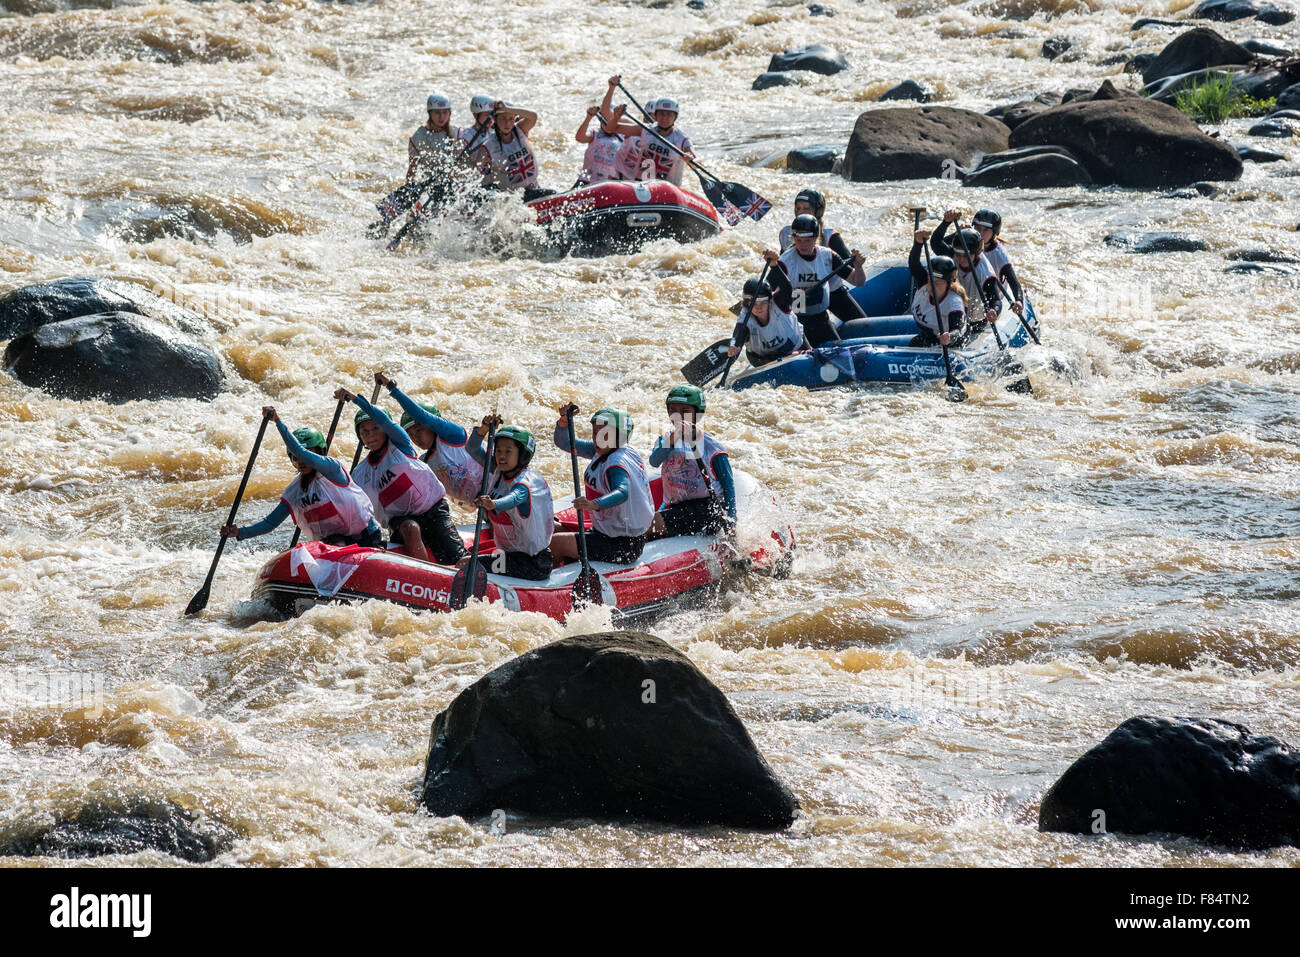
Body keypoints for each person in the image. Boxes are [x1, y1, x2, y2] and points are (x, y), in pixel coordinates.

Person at [334, 387, 468, 566]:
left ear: (386, 430)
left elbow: (386, 421)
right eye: (364, 431)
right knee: (410, 527)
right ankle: (425, 575)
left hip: (433, 511)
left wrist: (355, 399)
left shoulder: (400, 445)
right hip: (399, 523)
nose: (370, 435)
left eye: (375, 428)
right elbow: (355, 509)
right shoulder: (360, 473)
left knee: (459, 558)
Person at [220, 407, 381, 548]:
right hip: (333, 545)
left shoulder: (332, 469)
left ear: (319, 453)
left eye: (307, 455)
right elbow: (270, 523)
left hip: (365, 537)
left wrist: (278, 422)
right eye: (295, 458)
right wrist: (240, 532)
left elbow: (302, 452)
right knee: (334, 541)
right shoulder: (294, 490)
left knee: (336, 542)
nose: (300, 461)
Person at [551, 404, 654, 565]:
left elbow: (622, 492)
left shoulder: (616, 465)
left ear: (619, 436)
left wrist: (594, 504)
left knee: (554, 543)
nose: (597, 438)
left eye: (604, 434)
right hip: (605, 533)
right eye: (595, 432)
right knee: (551, 527)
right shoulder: (605, 449)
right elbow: (565, 443)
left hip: (622, 545)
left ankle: (547, 580)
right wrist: (564, 422)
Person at [375, 372, 485, 507]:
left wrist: (391, 387)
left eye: (419, 430)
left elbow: (422, 417)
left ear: (432, 427)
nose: (415, 437)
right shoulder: (424, 462)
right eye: (410, 434)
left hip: (500, 490)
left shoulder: (454, 436)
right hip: (481, 507)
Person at [763, 214, 866, 347]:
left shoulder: (828, 256)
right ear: (793, 238)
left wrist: (858, 266)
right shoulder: (785, 261)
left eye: (807, 240)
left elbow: (858, 281)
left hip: (820, 317)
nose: (803, 245)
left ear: (816, 238)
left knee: (839, 353)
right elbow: (767, 291)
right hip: (796, 320)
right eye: (798, 240)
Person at [469, 423, 555, 581]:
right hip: (509, 557)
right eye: (499, 451)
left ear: (522, 455)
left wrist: (493, 504)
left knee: (467, 564)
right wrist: (483, 429)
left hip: (532, 563)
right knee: (468, 557)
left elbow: (515, 498)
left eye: (508, 451)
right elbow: (472, 448)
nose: (501, 456)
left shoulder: (526, 482)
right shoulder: (500, 469)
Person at [647, 385, 736, 539]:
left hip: (706, 508)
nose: (679, 416)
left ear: (697, 414)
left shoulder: (710, 446)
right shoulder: (665, 440)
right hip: (677, 507)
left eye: (685, 411)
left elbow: (728, 484)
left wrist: (732, 521)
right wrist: (675, 437)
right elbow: (654, 461)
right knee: (640, 526)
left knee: (646, 527)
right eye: (673, 410)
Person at [777, 188, 866, 322]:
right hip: (801, 294)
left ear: (817, 212)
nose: (800, 212)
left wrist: (858, 264)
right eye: (798, 208)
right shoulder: (787, 233)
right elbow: (784, 267)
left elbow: (849, 268)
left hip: (832, 290)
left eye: (806, 208)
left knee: (861, 323)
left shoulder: (831, 236)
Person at [930, 210, 1002, 334]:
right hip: (953, 313)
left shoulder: (986, 273)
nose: (961, 259)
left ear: (977, 254)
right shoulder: (955, 253)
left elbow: (996, 300)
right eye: (958, 254)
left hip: (975, 322)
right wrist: (945, 223)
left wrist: (994, 311)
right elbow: (936, 244)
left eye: (966, 256)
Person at [476, 100, 552, 200]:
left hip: (534, 189)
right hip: (513, 199)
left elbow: (533, 116)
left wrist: (507, 109)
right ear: (495, 119)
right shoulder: (487, 147)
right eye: (503, 119)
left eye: (511, 118)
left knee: (552, 194)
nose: (507, 123)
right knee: (552, 193)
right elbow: (476, 174)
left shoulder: (521, 129)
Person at [611, 94, 694, 185]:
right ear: (656, 115)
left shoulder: (682, 138)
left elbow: (692, 156)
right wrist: (616, 117)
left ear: (675, 117)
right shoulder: (646, 130)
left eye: (669, 115)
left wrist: (690, 157)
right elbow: (612, 128)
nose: (664, 118)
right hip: (641, 185)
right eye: (661, 114)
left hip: (667, 188)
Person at [908, 230, 968, 348]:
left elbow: (957, 330)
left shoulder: (954, 302)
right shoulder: (924, 283)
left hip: (951, 343)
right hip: (929, 335)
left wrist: (949, 337)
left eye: (938, 283)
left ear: (948, 284)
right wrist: (918, 243)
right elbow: (914, 264)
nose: (932, 287)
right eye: (931, 281)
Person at [726, 277, 803, 367]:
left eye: (763, 303)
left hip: (796, 348)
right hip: (763, 360)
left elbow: (786, 286)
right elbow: (738, 334)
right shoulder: (744, 318)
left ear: (769, 301)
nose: (759, 307)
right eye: (754, 304)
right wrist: (734, 346)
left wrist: (774, 265)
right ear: (747, 304)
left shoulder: (779, 303)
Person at [972, 208, 1026, 318]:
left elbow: (1013, 280)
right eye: (977, 228)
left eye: (985, 230)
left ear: (994, 233)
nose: (980, 233)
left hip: (993, 298)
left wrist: (1019, 300)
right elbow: (938, 246)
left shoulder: (1000, 254)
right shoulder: (965, 241)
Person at [574, 76, 626, 187]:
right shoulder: (595, 134)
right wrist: (588, 118)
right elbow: (580, 138)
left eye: (610, 120)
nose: (608, 123)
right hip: (587, 181)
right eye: (605, 120)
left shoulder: (624, 137)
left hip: (610, 183)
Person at [406, 93, 463, 182]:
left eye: (445, 112)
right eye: (437, 113)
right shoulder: (419, 137)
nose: (442, 117)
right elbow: (412, 170)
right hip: (431, 185)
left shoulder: (457, 133)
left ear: (449, 113)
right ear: (430, 113)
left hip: (454, 183)